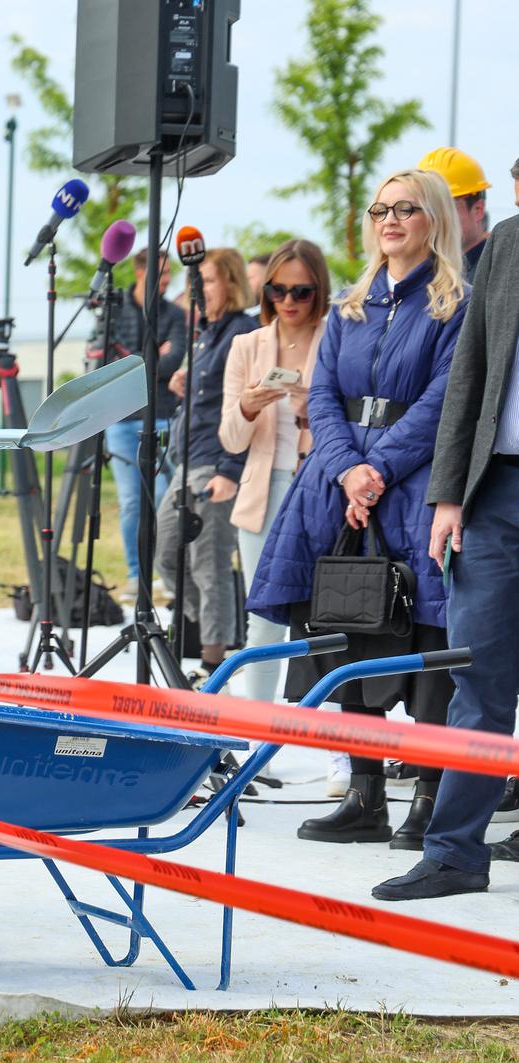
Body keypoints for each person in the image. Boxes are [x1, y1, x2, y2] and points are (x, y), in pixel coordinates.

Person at [249, 169, 467, 847]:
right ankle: (365, 796)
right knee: (340, 625)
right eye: (380, 210)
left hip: (414, 486)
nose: (390, 219)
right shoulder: (348, 306)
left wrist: (380, 469)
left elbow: (443, 400)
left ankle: (427, 800)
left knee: (429, 640)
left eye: (405, 209)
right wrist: (347, 471)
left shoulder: (453, 305)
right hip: (338, 489)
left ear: (433, 219)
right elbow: (320, 398)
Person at [372, 193, 519, 900]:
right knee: (478, 676)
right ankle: (455, 853)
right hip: (495, 495)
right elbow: (469, 374)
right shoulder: (508, 246)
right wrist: (447, 491)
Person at [218, 240, 331, 714]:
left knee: (328, 621)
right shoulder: (247, 345)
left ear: (318, 290)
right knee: (263, 621)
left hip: (323, 492)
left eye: (301, 291)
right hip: (262, 495)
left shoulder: (338, 337)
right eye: (278, 290)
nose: (288, 301)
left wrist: (311, 412)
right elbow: (229, 439)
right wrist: (247, 405)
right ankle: (255, 733)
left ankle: (339, 753)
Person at [153, 248, 257, 681]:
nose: (196, 291)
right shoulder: (205, 334)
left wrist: (229, 470)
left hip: (214, 462)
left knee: (208, 561)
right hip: (186, 461)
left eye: (207, 282)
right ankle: (213, 631)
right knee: (165, 555)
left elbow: (247, 406)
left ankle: (215, 662)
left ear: (230, 284)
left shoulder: (243, 333)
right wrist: (184, 383)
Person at [94, 248, 187, 602]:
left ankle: (161, 570)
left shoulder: (176, 314)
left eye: (167, 275)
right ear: (138, 272)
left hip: (163, 415)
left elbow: (172, 360)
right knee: (132, 501)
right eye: (159, 274)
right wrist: (153, 358)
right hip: (120, 419)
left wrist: (139, 360)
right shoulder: (113, 311)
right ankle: (136, 574)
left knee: (164, 496)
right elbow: (110, 363)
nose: (164, 282)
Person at [418, 146, 491, 279]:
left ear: (478, 210)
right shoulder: (423, 271)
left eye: (445, 207)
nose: (433, 217)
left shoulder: (500, 271)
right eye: (426, 207)